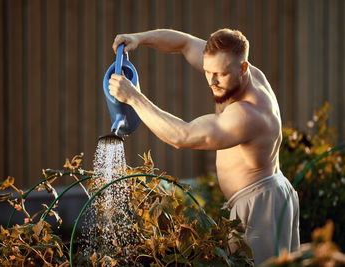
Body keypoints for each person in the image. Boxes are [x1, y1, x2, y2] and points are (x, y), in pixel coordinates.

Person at [109, 29, 299, 266]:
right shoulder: (229, 68)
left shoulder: (248, 114)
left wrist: (134, 98)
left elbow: (182, 136)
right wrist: (140, 39)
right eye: (208, 71)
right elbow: (185, 44)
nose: (212, 81)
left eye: (220, 74)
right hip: (266, 193)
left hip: (261, 204)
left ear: (243, 68)